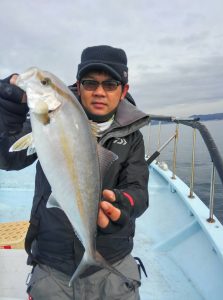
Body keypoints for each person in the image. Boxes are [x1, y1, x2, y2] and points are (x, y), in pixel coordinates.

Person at [0, 45, 149, 300]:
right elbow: (7, 158)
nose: (99, 92)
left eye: (110, 84)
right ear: (78, 86)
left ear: (124, 90)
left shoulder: (133, 138)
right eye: (90, 83)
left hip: (113, 257)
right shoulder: (48, 118)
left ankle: (92, 255)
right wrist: (10, 108)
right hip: (51, 261)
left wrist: (124, 206)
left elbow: (139, 192)